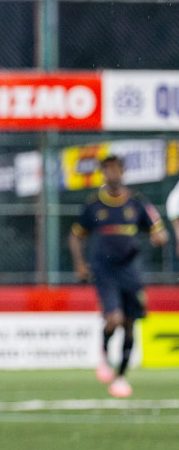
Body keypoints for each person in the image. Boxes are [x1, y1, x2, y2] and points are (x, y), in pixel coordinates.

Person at [69, 154, 169, 398]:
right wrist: (80, 263)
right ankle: (104, 352)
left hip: (131, 271)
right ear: (103, 174)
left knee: (129, 324)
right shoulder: (95, 205)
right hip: (105, 270)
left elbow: (158, 230)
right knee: (114, 319)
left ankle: (121, 376)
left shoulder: (137, 202)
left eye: (115, 169)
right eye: (107, 170)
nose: (112, 174)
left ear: (123, 172)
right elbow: (76, 236)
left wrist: (158, 237)